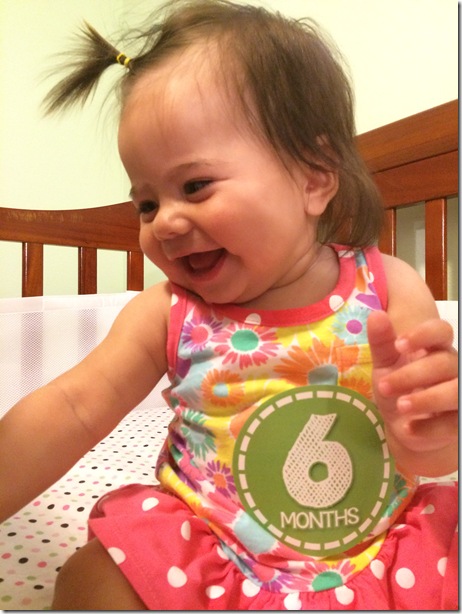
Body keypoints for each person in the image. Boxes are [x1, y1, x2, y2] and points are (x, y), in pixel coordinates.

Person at [1, 0, 457, 609]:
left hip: (379, 553)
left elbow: (432, 452)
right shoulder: (168, 311)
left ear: (313, 177)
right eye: (146, 203)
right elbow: (74, 407)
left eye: (195, 186)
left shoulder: (389, 287)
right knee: (91, 577)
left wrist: (427, 433)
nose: (165, 222)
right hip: (208, 553)